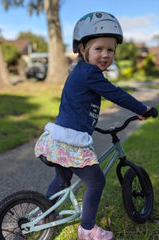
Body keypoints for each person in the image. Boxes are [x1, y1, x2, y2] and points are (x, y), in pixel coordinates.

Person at [35, 11, 150, 240]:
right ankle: (87, 230)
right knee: (96, 181)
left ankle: (45, 215)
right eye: (99, 49)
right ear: (82, 49)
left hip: (61, 137)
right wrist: (142, 109)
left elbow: (75, 105)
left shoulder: (80, 72)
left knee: (62, 178)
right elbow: (116, 94)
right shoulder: (89, 73)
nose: (106, 55)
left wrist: (87, 123)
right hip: (71, 142)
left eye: (111, 50)